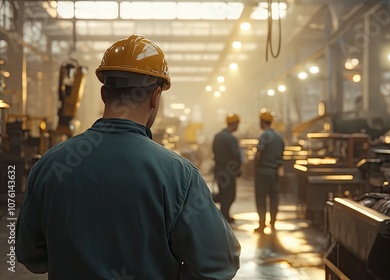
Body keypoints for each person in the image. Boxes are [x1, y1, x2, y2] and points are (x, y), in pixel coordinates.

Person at [15, 34, 240, 280]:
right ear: (156, 97)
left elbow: (30, 255)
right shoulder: (179, 175)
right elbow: (219, 263)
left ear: (103, 93)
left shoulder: (49, 165)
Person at [253, 110, 285, 233]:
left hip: (263, 171)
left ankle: (262, 224)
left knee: (261, 198)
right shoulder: (278, 137)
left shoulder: (264, 135)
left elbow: (258, 154)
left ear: (261, 122)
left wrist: (255, 168)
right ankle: (273, 223)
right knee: (274, 198)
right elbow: (282, 153)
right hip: (275, 172)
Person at [212, 113, 242, 223]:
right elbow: (236, 156)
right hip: (228, 171)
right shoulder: (231, 138)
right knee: (229, 195)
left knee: (223, 193)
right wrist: (238, 169)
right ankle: (224, 217)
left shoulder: (217, 136)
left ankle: (224, 216)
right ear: (234, 124)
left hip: (218, 168)